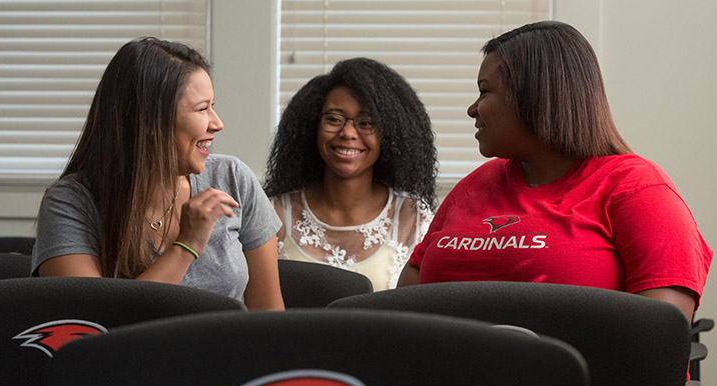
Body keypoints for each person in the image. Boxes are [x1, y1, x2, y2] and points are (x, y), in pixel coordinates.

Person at [397, 21, 712, 386]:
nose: (472, 109)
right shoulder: (473, 187)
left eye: (484, 91)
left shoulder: (635, 188)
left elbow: (655, 344)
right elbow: (404, 309)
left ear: (536, 95)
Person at [33, 37, 284, 310]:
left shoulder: (233, 178)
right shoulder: (71, 203)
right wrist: (186, 246)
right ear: (151, 122)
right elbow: (93, 322)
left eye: (213, 106)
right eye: (202, 109)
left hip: (229, 352)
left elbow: (269, 314)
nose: (217, 123)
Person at [263, 57, 437, 291]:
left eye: (366, 123)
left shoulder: (413, 218)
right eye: (334, 119)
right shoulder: (275, 214)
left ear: (391, 133)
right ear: (312, 126)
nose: (348, 132)